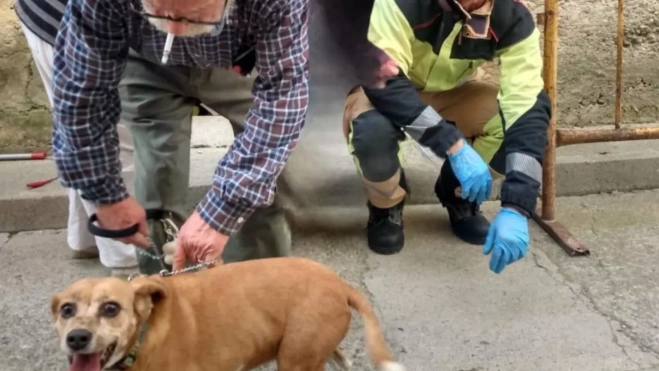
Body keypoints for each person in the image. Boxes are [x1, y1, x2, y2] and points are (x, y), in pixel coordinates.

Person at [50, 0, 309, 274]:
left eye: (195, 15)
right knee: (157, 184)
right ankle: (164, 299)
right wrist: (104, 194)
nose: (172, 28)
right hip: (147, 61)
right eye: (156, 8)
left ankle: (258, 294)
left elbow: (282, 100)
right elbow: (82, 93)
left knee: (267, 180)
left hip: (239, 59)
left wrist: (222, 214)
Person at [342, 0, 550, 273]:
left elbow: (526, 109)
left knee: (517, 126)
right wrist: (452, 144)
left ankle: (458, 193)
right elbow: (384, 80)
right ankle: (386, 205)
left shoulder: (513, 18)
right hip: (388, 90)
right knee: (370, 131)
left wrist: (517, 205)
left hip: (455, 91)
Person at [14, 0, 139, 278]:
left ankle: (84, 237)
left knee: (79, 124)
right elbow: (87, 117)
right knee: (120, 139)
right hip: (64, 18)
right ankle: (129, 266)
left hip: (53, 13)